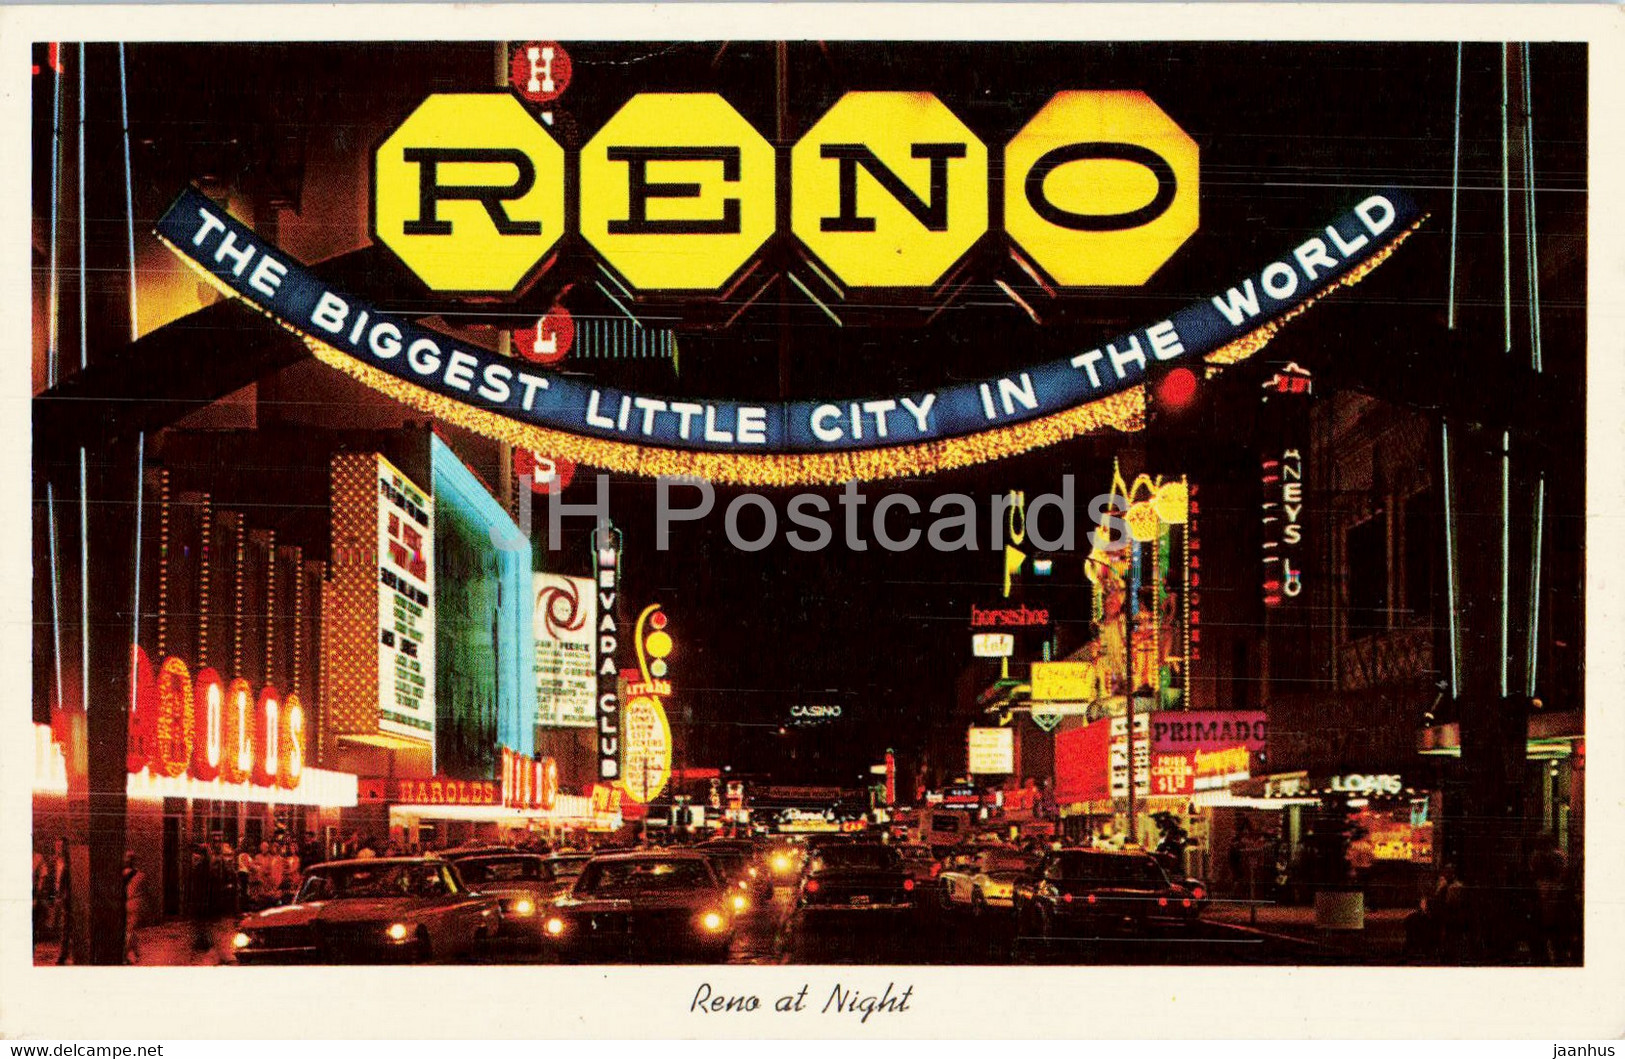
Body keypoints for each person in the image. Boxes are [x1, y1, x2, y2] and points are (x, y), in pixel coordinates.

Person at [45, 838, 72, 963]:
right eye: (57, 846)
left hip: (64, 898)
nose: (58, 848)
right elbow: (51, 880)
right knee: (57, 926)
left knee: (64, 926)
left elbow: (69, 883)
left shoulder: (69, 863)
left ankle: (62, 954)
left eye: (61, 846)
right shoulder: (55, 862)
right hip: (56, 896)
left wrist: (64, 896)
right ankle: (63, 951)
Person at [123, 851, 147, 964]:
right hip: (136, 905)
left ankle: (135, 954)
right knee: (131, 931)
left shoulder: (121, 875)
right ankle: (125, 955)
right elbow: (145, 892)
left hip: (125, 903)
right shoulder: (141, 876)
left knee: (130, 931)